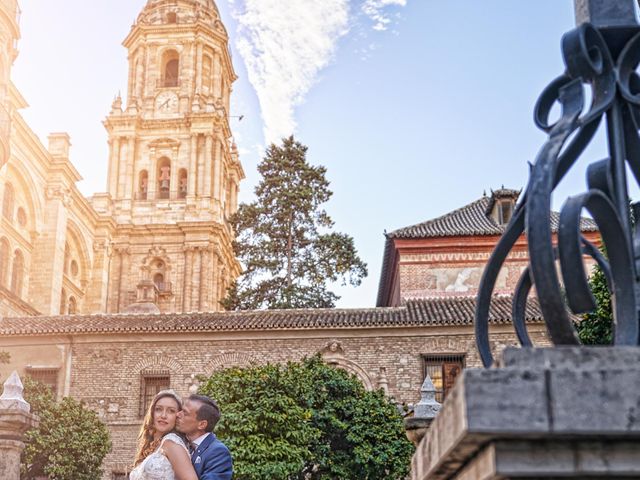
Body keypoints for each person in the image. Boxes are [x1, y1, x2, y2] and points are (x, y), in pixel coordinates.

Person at [130, 390, 198, 480]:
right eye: (158, 409)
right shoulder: (156, 444)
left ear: (177, 416)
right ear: (152, 413)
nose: (163, 415)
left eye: (171, 411)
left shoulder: (171, 443)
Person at [177, 394, 233, 480]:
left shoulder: (218, 452)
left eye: (185, 413)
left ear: (202, 424)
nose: (178, 414)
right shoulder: (181, 444)